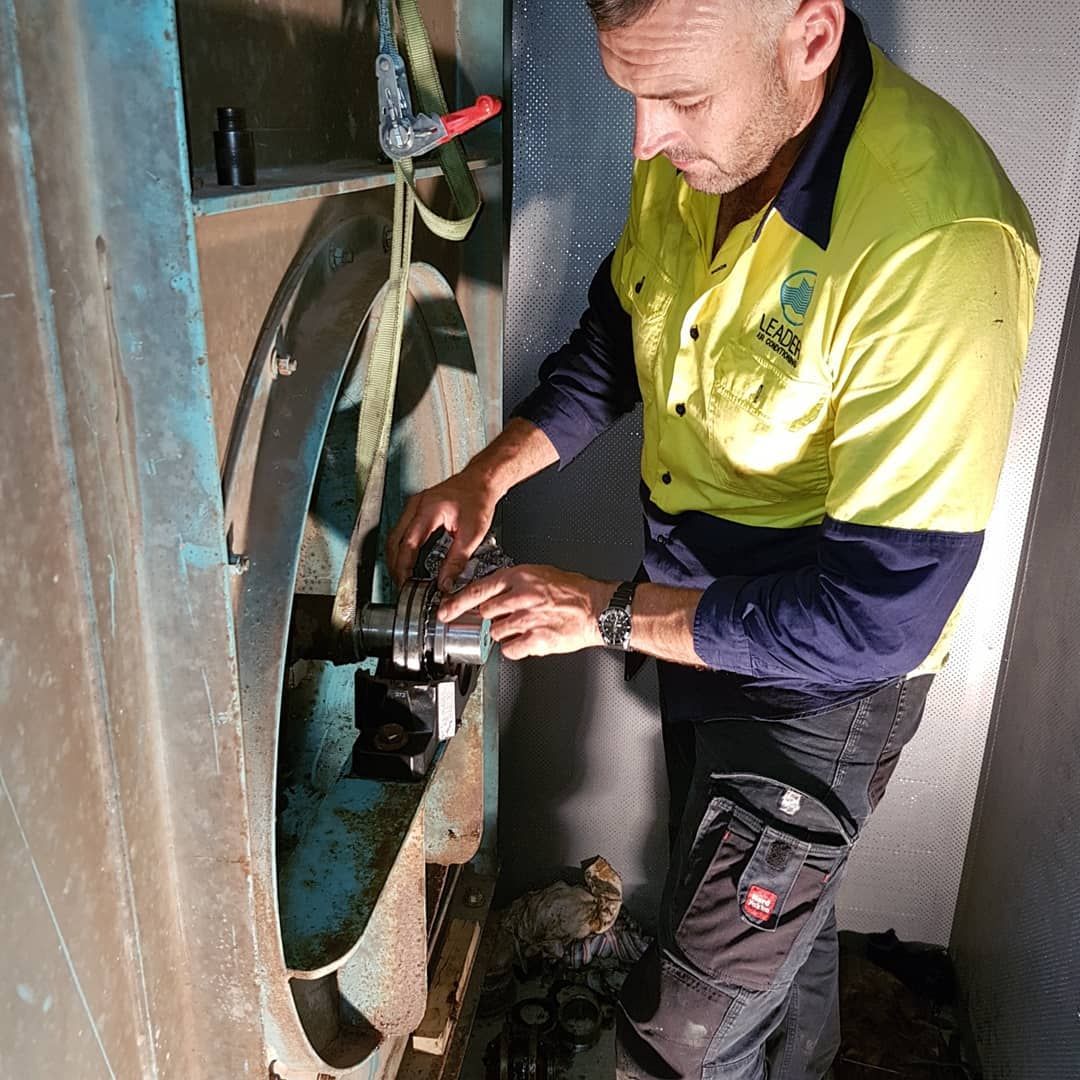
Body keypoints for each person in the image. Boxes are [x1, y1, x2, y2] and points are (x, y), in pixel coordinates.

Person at [386, 0, 1039, 1075]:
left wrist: (598, 612)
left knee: (682, 1036)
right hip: (696, 626)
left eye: (679, 98)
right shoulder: (699, 154)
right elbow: (623, 330)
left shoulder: (935, 245)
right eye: (630, 93)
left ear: (810, 39)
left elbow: (877, 614)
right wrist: (487, 472)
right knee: (784, 926)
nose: (642, 138)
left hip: (822, 693)